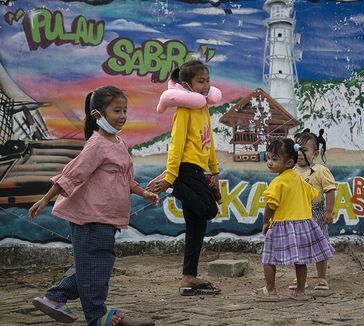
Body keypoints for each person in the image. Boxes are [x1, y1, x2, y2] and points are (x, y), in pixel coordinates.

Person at [28, 85, 159, 326]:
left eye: (125, 111)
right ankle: (96, 315)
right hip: (90, 218)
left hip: (106, 217)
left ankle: (55, 297)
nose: (122, 116)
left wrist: (143, 193)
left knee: (94, 263)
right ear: (98, 115)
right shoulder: (97, 145)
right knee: (96, 264)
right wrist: (45, 199)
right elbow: (71, 175)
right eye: (117, 110)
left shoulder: (118, 143)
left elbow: (126, 178)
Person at [146, 60, 222, 296]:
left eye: (208, 80)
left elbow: (208, 142)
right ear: (187, 86)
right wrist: (171, 177)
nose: (206, 85)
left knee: (197, 226)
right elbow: (176, 146)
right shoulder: (184, 111)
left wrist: (214, 171)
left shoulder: (203, 108)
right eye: (201, 82)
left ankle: (189, 277)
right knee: (209, 210)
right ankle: (175, 188)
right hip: (185, 170)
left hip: (199, 169)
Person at [254, 138, 335, 301]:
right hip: (304, 225)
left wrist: (265, 222)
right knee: (301, 260)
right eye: (268, 158)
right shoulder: (299, 179)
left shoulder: (278, 182)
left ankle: (270, 290)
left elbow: (270, 205)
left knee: (269, 258)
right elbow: (313, 195)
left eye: (275, 159)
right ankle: (300, 292)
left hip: (281, 225)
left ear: (289, 161)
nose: (269, 162)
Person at [290, 131, 336, 291]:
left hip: (316, 213)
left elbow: (330, 190)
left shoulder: (320, 171)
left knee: (320, 244)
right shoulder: (290, 171)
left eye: (304, 150)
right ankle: (299, 278)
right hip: (296, 214)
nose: (299, 154)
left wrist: (329, 211)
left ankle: (322, 278)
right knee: (298, 245)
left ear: (315, 153)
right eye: (296, 149)